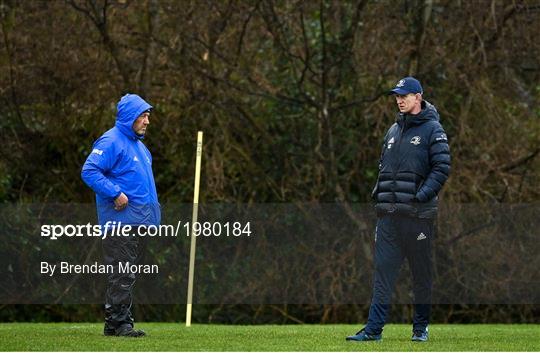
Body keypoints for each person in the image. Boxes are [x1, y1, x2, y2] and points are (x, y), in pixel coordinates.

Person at [346, 77, 451, 342]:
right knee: (382, 273)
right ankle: (373, 330)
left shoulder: (433, 129)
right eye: (397, 95)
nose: (399, 99)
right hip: (389, 217)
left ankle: (420, 329)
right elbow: (383, 167)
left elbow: (442, 168)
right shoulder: (392, 130)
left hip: (417, 218)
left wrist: (421, 196)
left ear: (419, 96)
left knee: (420, 274)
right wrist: (377, 195)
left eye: (404, 95)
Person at [81, 93, 160, 337]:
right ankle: (121, 324)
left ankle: (114, 324)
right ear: (129, 117)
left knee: (127, 274)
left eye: (147, 116)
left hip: (140, 222)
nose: (146, 121)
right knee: (122, 273)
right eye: (142, 116)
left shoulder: (142, 148)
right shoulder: (110, 141)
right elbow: (89, 171)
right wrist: (115, 193)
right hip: (120, 223)